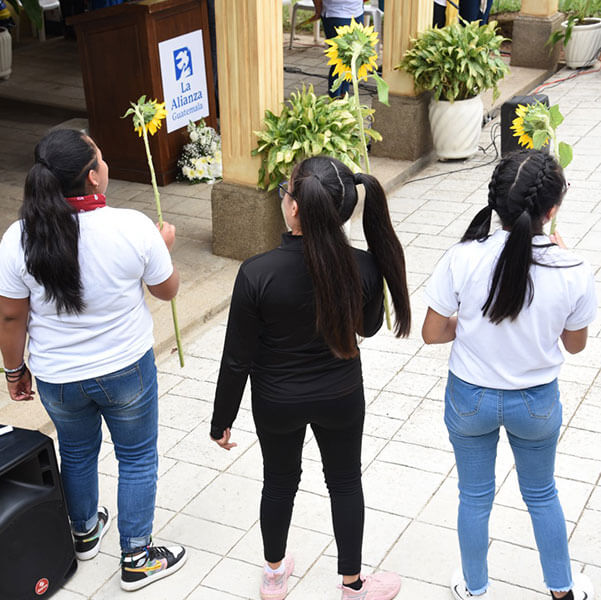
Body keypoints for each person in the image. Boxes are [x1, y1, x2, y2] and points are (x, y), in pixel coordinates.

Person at [210, 156, 411, 600]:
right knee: (345, 482)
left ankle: (275, 576)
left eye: (286, 190)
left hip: (276, 401)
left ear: (296, 208)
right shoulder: (361, 266)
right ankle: (353, 585)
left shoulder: (256, 273)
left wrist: (221, 419)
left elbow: (236, 358)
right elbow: (370, 328)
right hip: (340, 394)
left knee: (278, 482)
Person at [0, 129, 186, 592]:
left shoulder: (18, 238)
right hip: (127, 371)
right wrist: (162, 249)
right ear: (92, 177)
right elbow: (167, 290)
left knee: (77, 452)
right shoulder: (132, 227)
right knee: (138, 457)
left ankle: (83, 533)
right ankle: (138, 556)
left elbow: (9, 314)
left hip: (58, 379)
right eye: (100, 157)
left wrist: (14, 370)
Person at [422, 150, 597, 600]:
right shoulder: (573, 270)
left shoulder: (462, 257)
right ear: (552, 210)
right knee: (542, 494)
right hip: (536, 403)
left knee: (474, 497)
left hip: (470, 399)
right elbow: (574, 345)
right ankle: (561, 589)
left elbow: (432, 332)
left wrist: (470, 324)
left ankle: (475, 588)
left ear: (496, 202)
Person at [310, 0, 365, 98]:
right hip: (336, 13)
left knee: (352, 58)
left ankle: (344, 95)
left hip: (357, 11)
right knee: (340, 59)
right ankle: (334, 99)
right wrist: (318, 11)